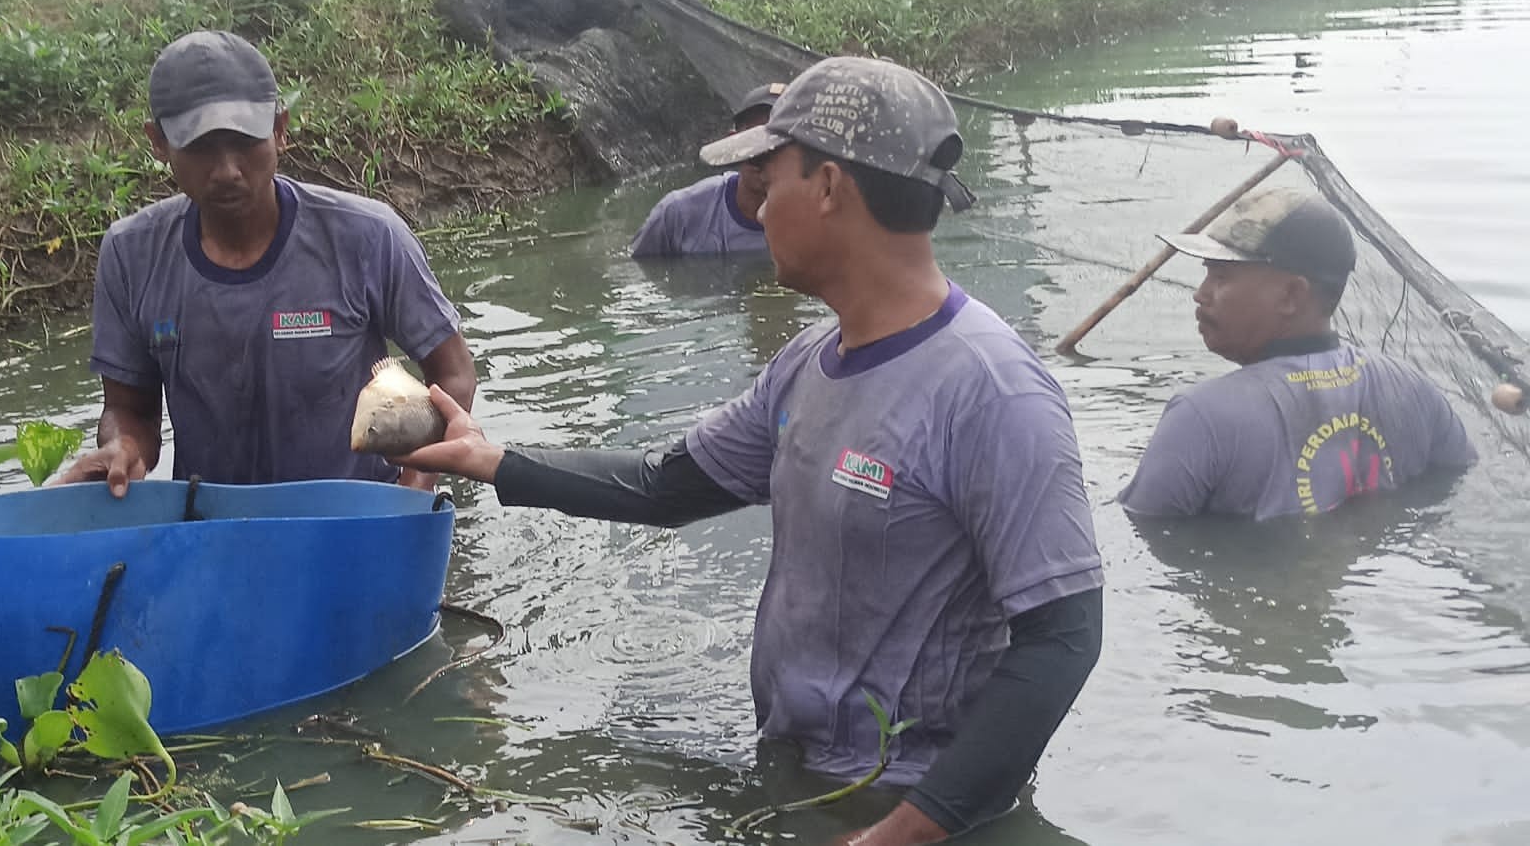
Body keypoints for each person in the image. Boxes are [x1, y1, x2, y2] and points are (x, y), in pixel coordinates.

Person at [398, 56, 1105, 845]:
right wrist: (492, 458)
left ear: (831, 188)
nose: (757, 211)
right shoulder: (806, 363)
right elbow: (665, 485)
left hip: (912, 802)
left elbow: (1063, 636)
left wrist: (912, 828)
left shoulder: (994, 391)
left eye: (770, 184)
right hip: (794, 775)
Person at [58, 30, 475, 495]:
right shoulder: (131, 254)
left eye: (244, 141)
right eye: (200, 148)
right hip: (215, 524)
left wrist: (411, 493)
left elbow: (453, 373)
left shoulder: (368, 237)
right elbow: (130, 410)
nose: (227, 171)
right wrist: (122, 449)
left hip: (355, 517)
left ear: (280, 128)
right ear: (158, 142)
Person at [1118, 187, 1476, 520]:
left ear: (1290, 295)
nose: (1201, 293)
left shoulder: (1200, 418)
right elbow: (1459, 485)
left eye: (1222, 276)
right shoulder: (1414, 389)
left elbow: (1142, 530)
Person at [628, 82, 784, 258]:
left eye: (782, 144)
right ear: (734, 144)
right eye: (754, 141)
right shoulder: (678, 214)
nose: (768, 155)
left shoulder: (815, 225)